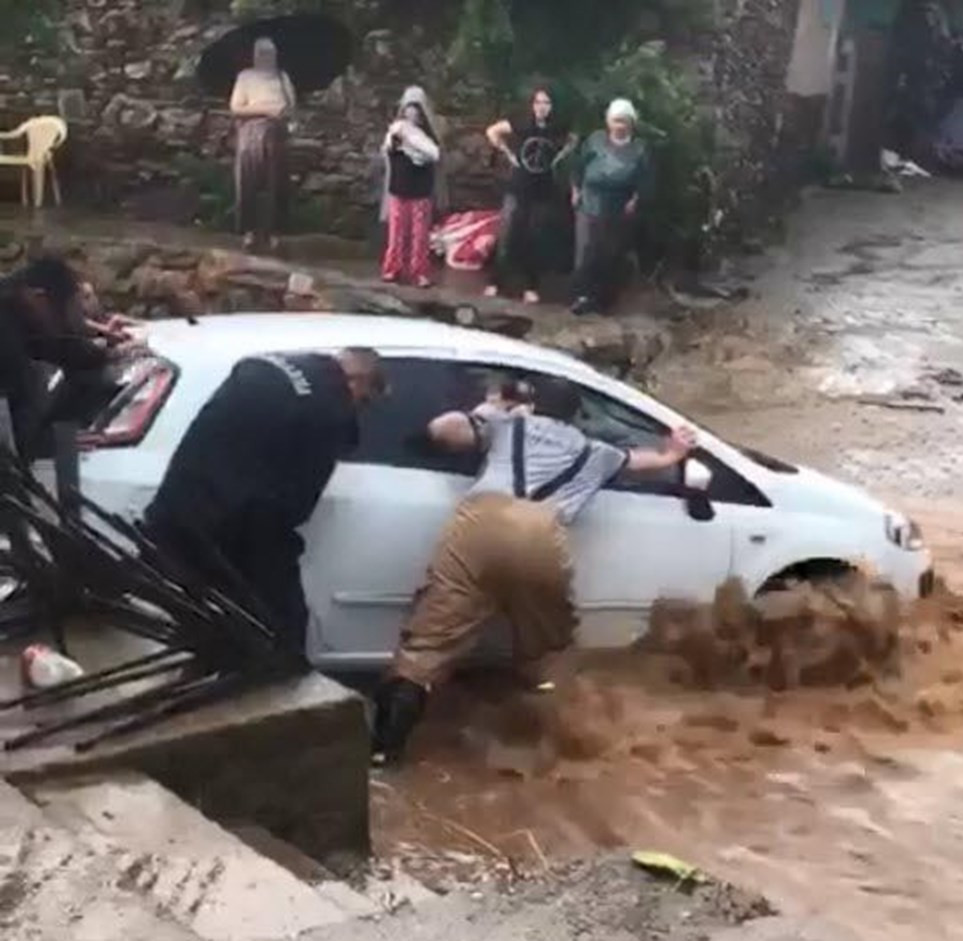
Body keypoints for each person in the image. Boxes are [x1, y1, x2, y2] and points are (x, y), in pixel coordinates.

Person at [371, 376, 696, 765]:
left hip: (477, 522)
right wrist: (674, 452)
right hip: (539, 532)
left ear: (535, 404)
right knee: (550, 642)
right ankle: (563, 742)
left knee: (427, 645)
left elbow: (442, 430)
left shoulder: (509, 426)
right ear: (577, 414)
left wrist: (491, 406)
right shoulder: (595, 451)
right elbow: (647, 462)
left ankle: (384, 753)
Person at [143, 348, 386, 661]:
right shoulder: (329, 409)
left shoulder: (267, 362)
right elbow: (293, 506)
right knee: (282, 627)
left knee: (188, 621)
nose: (359, 409)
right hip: (226, 524)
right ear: (356, 381)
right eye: (364, 401)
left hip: (176, 503)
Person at [1, 257, 141, 462]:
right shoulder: (6, 335)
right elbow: (9, 433)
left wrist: (108, 353)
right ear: (39, 299)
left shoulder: (19, 306)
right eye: (65, 310)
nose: (66, 323)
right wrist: (48, 443)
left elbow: (54, 344)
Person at [483, 89, 577, 304]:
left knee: (535, 238)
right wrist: (507, 153)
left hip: (542, 190)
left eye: (546, 102)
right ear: (532, 105)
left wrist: (558, 159)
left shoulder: (557, 127)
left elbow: (573, 139)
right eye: (538, 102)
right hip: (518, 187)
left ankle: (530, 286)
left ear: (552, 106)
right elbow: (492, 131)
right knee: (507, 235)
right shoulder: (521, 122)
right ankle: (495, 282)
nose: (542, 106)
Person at [570, 98, 652, 316]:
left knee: (610, 253)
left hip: (618, 205)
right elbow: (578, 166)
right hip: (590, 201)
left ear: (631, 123)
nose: (620, 125)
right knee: (586, 251)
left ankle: (604, 300)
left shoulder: (639, 148)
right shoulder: (595, 140)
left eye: (624, 121)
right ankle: (582, 297)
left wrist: (636, 199)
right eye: (616, 120)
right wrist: (575, 190)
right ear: (609, 122)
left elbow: (645, 180)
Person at [230, 37, 296, 252]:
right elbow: (236, 108)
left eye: (271, 54)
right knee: (248, 181)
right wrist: (265, 110)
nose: (267, 58)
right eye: (263, 54)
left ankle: (276, 234)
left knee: (277, 184)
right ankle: (249, 232)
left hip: (277, 132)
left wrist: (282, 113)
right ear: (255, 56)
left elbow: (291, 105)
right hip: (251, 132)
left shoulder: (281, 76)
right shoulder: (246, 77)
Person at [380, 86, 441, 288]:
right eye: (409, 108)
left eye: (416, 108)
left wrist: (416, 148)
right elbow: (389, 150)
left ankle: (420, 272)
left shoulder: (428, 135)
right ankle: (392, 268)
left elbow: (434, 155)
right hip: (399, 188)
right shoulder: (396, 130)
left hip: (421, 191)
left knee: (420, 235)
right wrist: (401, 141)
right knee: (396, 233)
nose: (412, 112)